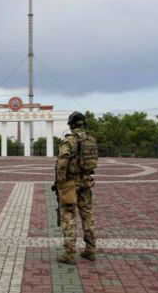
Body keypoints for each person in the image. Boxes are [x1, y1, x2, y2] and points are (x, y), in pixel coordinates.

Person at [55, 111, 98, 264]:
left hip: (70, 184)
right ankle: (90, 249)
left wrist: (60, 183)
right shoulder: (91, 139)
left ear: (71, 125)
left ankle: (69, 253)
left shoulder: (69, 140)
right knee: (87, 215)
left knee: (68, 215)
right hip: (86, 182)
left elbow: (62, 162)